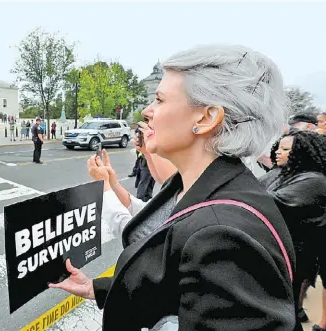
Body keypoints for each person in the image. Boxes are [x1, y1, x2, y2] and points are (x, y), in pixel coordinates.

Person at [49, 44, 299, 331]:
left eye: (160, 100)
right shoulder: (201, 187)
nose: (146, 111)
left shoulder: (220, 235)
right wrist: (99, 289)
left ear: (206, 118)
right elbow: (174, 281)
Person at [259, 130, 326, 329]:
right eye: (278, 147)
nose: (278, 152)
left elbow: (270, 202)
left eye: (286, 149)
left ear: (302, 152)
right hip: (275, 251)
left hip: (296, 255)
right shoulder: (278, 173)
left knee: (284, 309)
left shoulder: (314, 181)